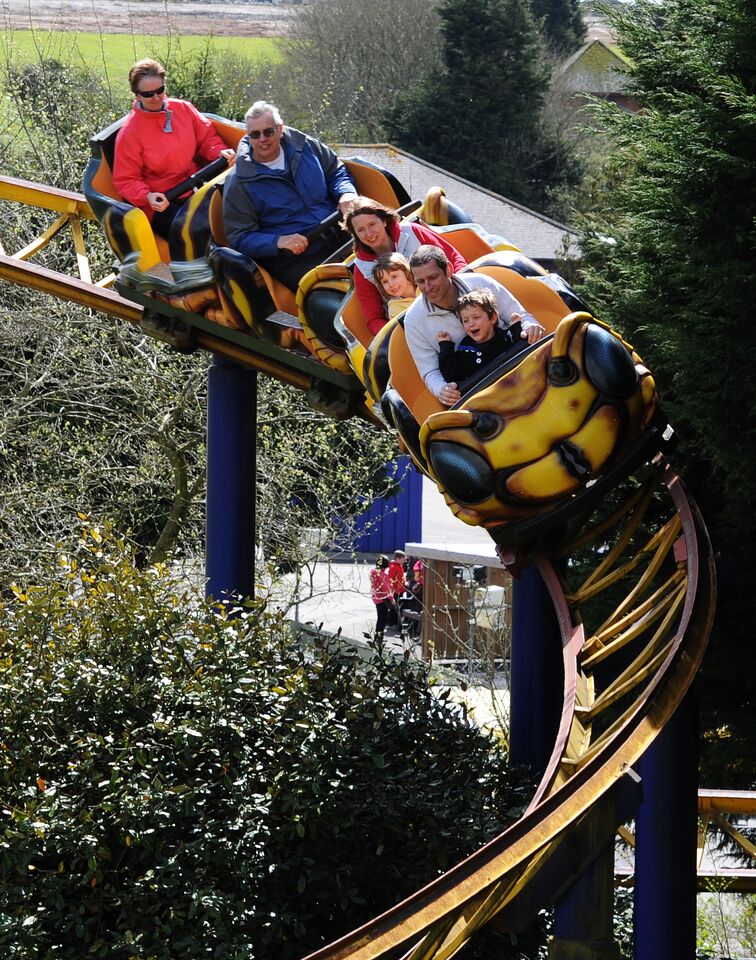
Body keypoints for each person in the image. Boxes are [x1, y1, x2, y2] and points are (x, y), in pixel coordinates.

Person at [222, 100, 358, 291]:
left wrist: (346, 193)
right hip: (296, 258)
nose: (262, 139)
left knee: (388, 261)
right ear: (248, 136)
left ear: (280, 129)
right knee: (333, 295)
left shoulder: (306, 146)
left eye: (268, 132)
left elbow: (335, 171)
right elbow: (240, 237)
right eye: (255, 134)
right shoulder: (239, 181)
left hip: (341, 231)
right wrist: (277, 241)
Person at [405, 245, 545, 406]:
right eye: (421, 282)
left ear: (449, 269)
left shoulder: (481, 283)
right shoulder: (414, 320)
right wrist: (442, 389)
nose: (428, 287)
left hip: (516, 367)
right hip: (476, 389)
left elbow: (522, 316)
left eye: (433, 277)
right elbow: (430, 371)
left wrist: (530, 327)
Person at [113, 59, 236, 239]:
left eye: (160, 91)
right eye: (148, 94)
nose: (156, 98)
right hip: (163, 201)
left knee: (239, 211)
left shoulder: (183, 109)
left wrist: (219, 152)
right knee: (196, 234)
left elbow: (207, 138)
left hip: (197, 184)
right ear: (137, 96)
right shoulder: (129, 134)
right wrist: (147, 196)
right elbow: (126, 180)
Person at [342, 197, 468, 336]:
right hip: (416, 324)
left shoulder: (412, 231)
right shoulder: (362, 269)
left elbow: (454, 258)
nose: (369, 233)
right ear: (355, 234)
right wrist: (400, 334)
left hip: (452, 299)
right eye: (361, 230)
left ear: (383, 221)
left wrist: (463, 289)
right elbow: (374, 318)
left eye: (372, 224)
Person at [437, 289, 526, 393]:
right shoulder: (465, 351)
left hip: (516, 388)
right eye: (465, 321)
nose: (471, 324)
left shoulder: (505, 338)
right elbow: (450, 374)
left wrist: (516, 327)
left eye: (476, 317)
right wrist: (445, 346)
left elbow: (522, 349)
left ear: (492, 318)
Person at [373, 253, 418, 320]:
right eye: (385, 281)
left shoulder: (424, 285)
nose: (391, 284)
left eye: (394, 277)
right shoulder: (394, 309)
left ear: (406, 272)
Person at [369, 555, 394, 641]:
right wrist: (392, 599)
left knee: (380, 617)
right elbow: (386, 588)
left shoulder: (374, 573)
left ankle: (377, 636)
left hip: (376, 597)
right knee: (383, 619)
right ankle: (379, 637)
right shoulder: (383, 574)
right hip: (383, 598)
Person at [387, 549, 408, 627]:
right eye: (403, 559)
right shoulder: (393, 567)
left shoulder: (400, 566)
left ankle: (394, 621)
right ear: (397, 558)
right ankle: (391, 622)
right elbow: (390, 579)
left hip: (400, 589)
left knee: (397, 606)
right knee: (394, 607)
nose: (404, 561)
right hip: (395, 591)